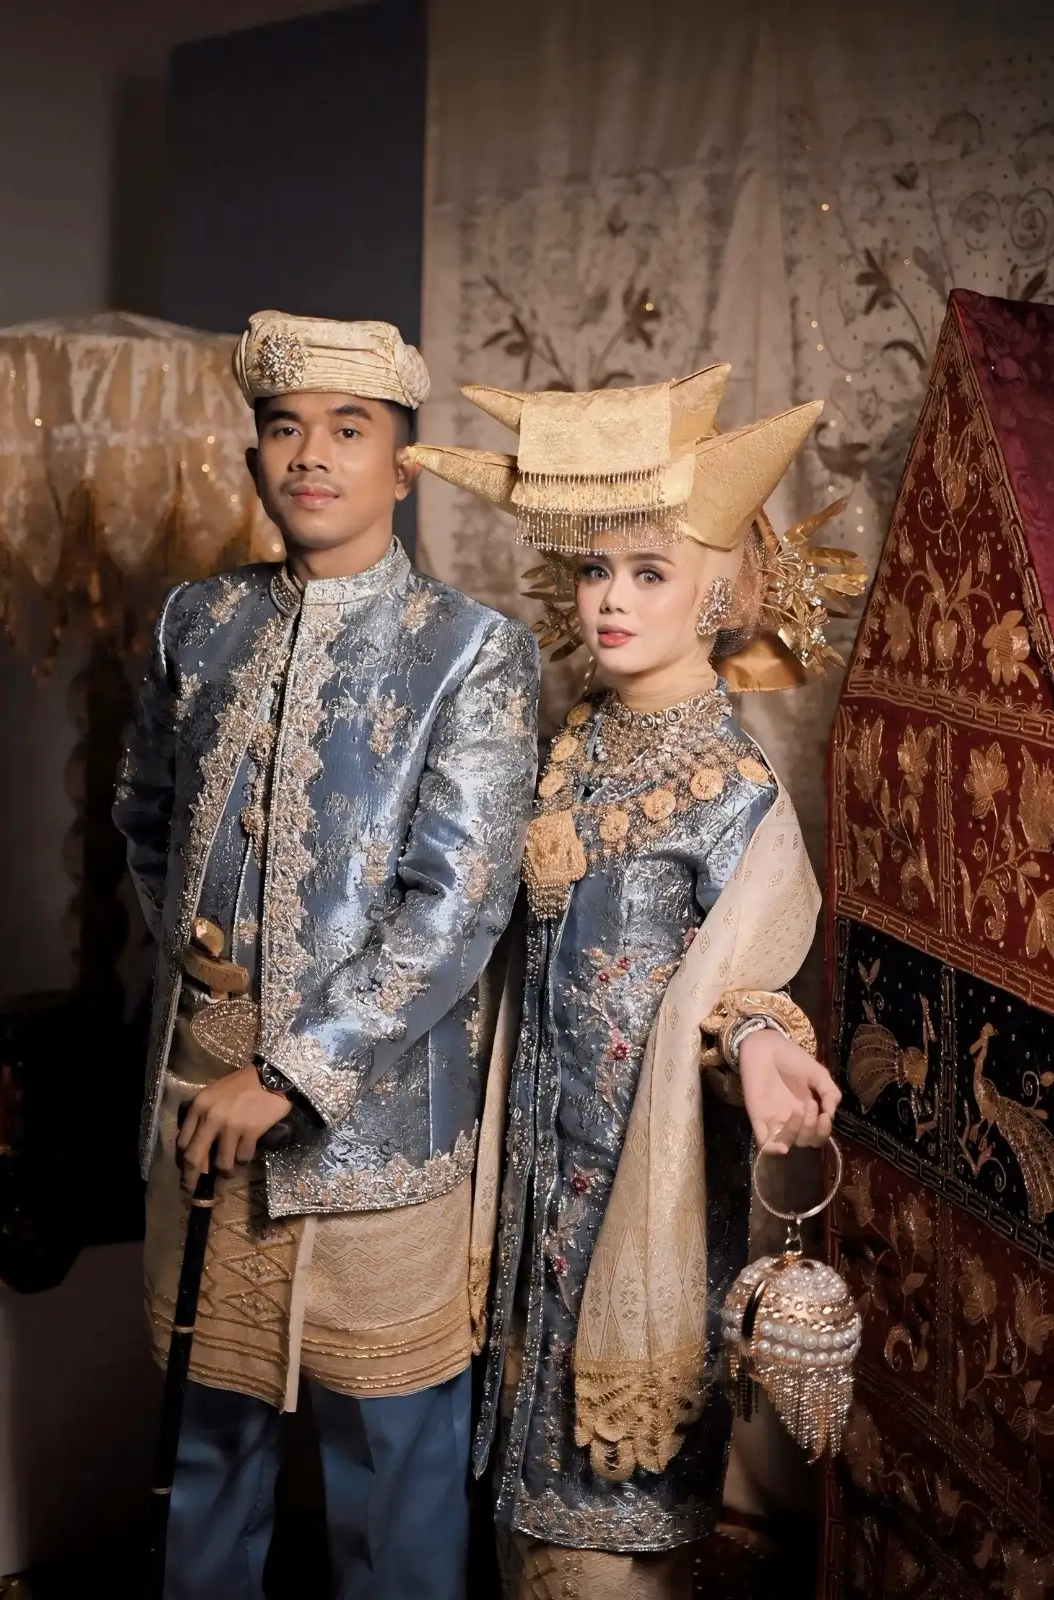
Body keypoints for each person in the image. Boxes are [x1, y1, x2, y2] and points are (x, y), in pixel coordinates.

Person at [409, 367, 857, 1599]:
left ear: (716, 592)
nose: (610, 598)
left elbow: (750, 974)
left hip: (640, 1203)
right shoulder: (574, 746)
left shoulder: (735, 794)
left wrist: (761, 1045)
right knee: (514, 1528)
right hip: (529, 1194)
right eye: (596, 569)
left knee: (603, 1545)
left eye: (649, 572)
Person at [114, 312, 539, 1600]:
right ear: (255, 455)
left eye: (349, 431)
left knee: (388, 1462)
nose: (311, 456)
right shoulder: (198, 620)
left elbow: (458, 907)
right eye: (284, 428)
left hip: (376, 1120)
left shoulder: (470, 649)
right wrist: (201, 972)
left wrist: (292, 1069)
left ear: (401, 464)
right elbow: (143, 812)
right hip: (198, 1088)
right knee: (205, 1439)